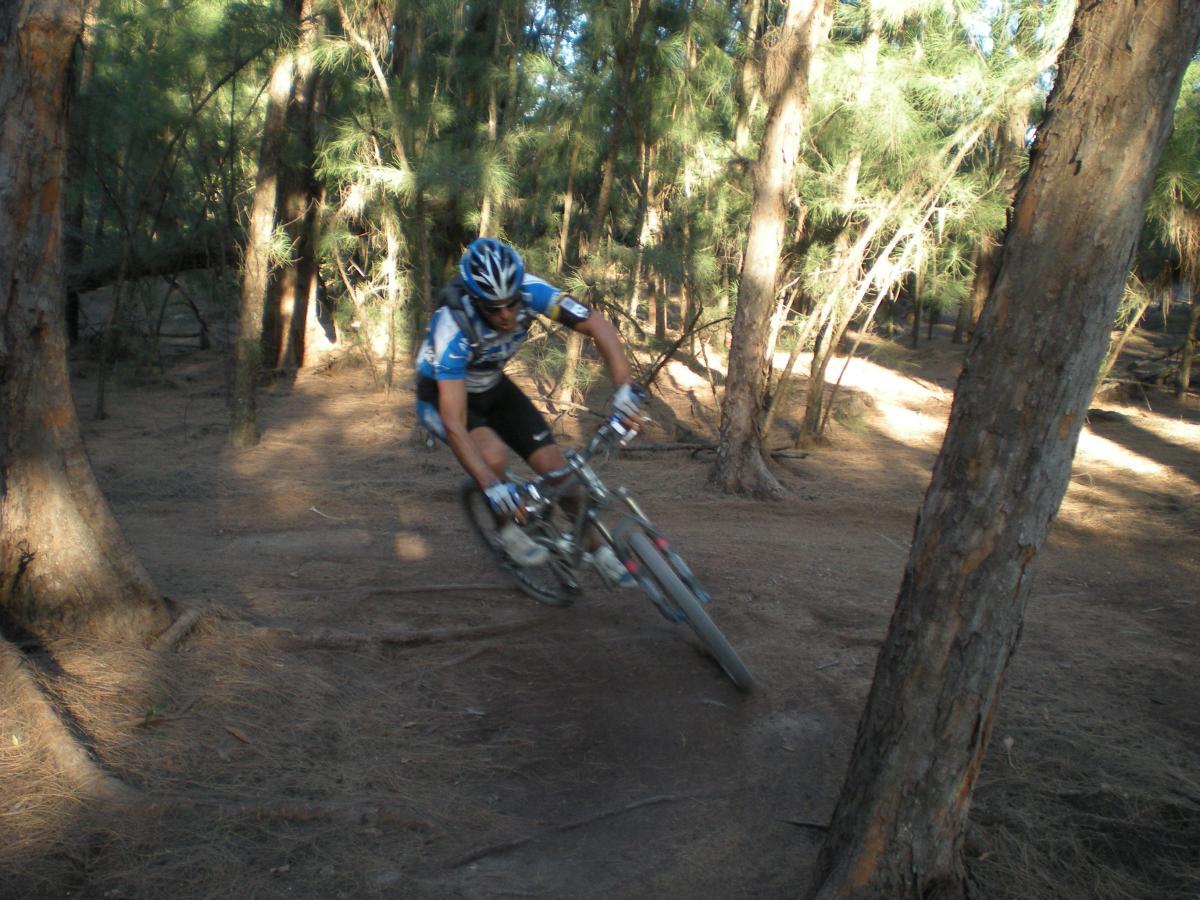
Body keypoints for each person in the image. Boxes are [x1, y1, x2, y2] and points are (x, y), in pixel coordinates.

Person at [416, 238, 644, 583]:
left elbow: (596, 325)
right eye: (494, 308)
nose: (506, 314)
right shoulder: (453, 326)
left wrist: (624, 386)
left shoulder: (530, 290)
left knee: (559, 472)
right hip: (443, 396)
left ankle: (599, 549)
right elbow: (453, 422)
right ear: (476, 300)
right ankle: (507, 530)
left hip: (491, 383)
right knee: (492, 457)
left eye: (511, 303)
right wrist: (492, 486)